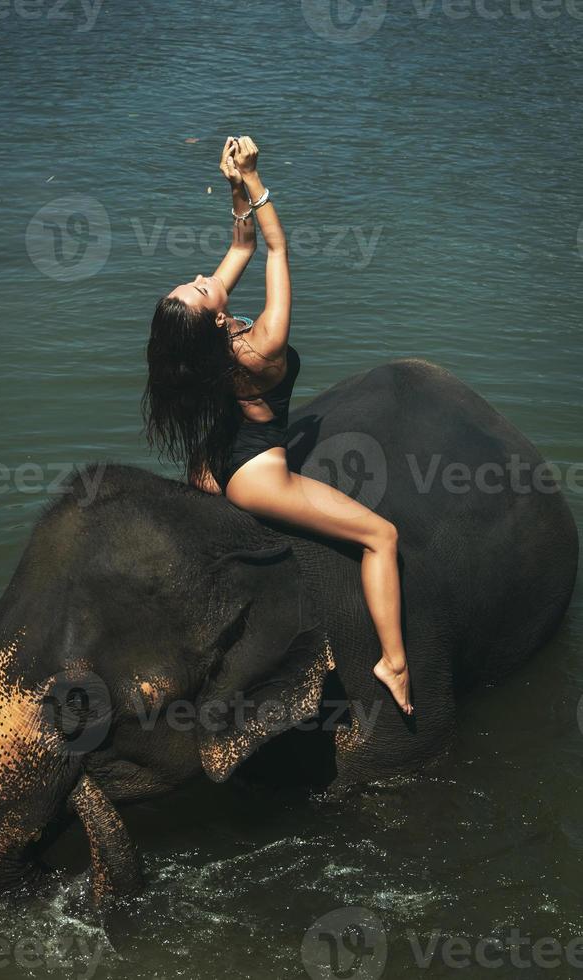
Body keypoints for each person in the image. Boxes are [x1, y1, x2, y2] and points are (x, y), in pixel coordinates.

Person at [142, 136, 413, 715]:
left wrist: (234, 181)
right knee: (381, 536)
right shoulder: (260, 345)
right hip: (253, 472)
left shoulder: (198, 348)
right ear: (217, 315)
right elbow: (275, 249)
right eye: (196, 285)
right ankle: (394, 663)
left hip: (208, 462)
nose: (199, 273)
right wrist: (259, 178)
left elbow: (239, 243)